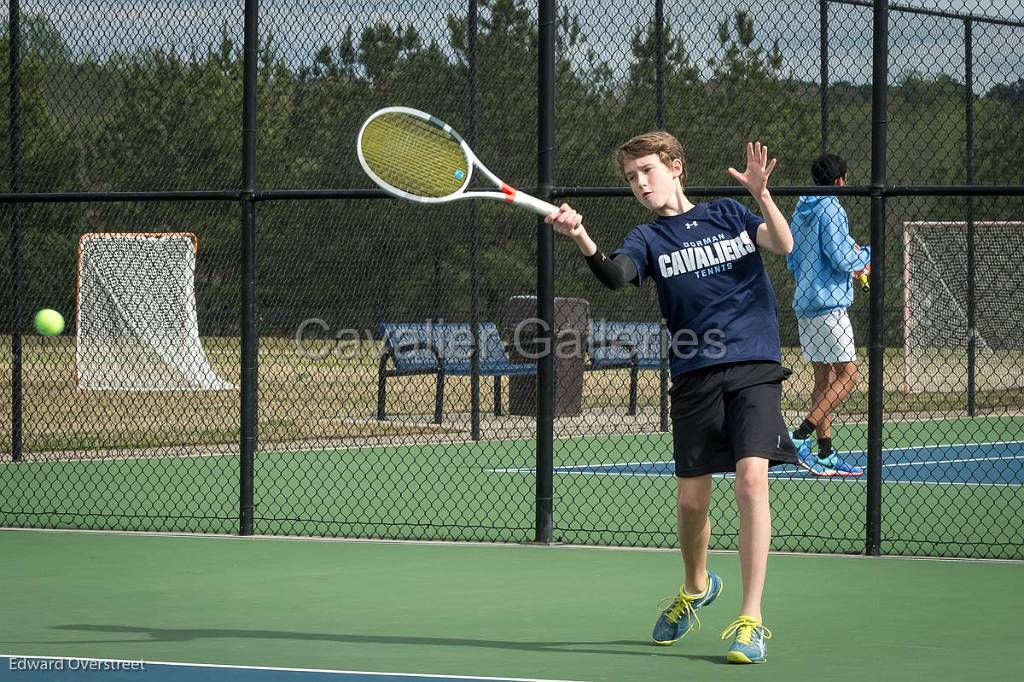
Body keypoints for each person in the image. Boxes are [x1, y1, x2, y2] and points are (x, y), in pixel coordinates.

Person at [545, 132, 797, 665]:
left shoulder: (729, 214)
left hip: (753, 364)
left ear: (676, 167)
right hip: (694, 375)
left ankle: (750, 619)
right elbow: (615, 276)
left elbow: (781, 245)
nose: (640, 183)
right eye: (631, 177)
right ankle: (696, 586)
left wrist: (762, 194)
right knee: (691, 502)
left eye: (647, 171)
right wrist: (582, 237)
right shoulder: (646, 238)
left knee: (752, 480)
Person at [786, 153, 870, 477]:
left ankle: (824, 453)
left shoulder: (800, 209)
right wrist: (863, 257)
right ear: (839, 181)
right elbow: (839, 256)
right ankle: (798, 437)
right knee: (849, 375)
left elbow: (794, 259)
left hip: (805, 305)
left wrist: (846, 265)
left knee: (824, 380)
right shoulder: (832, 208)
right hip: (829, 306)